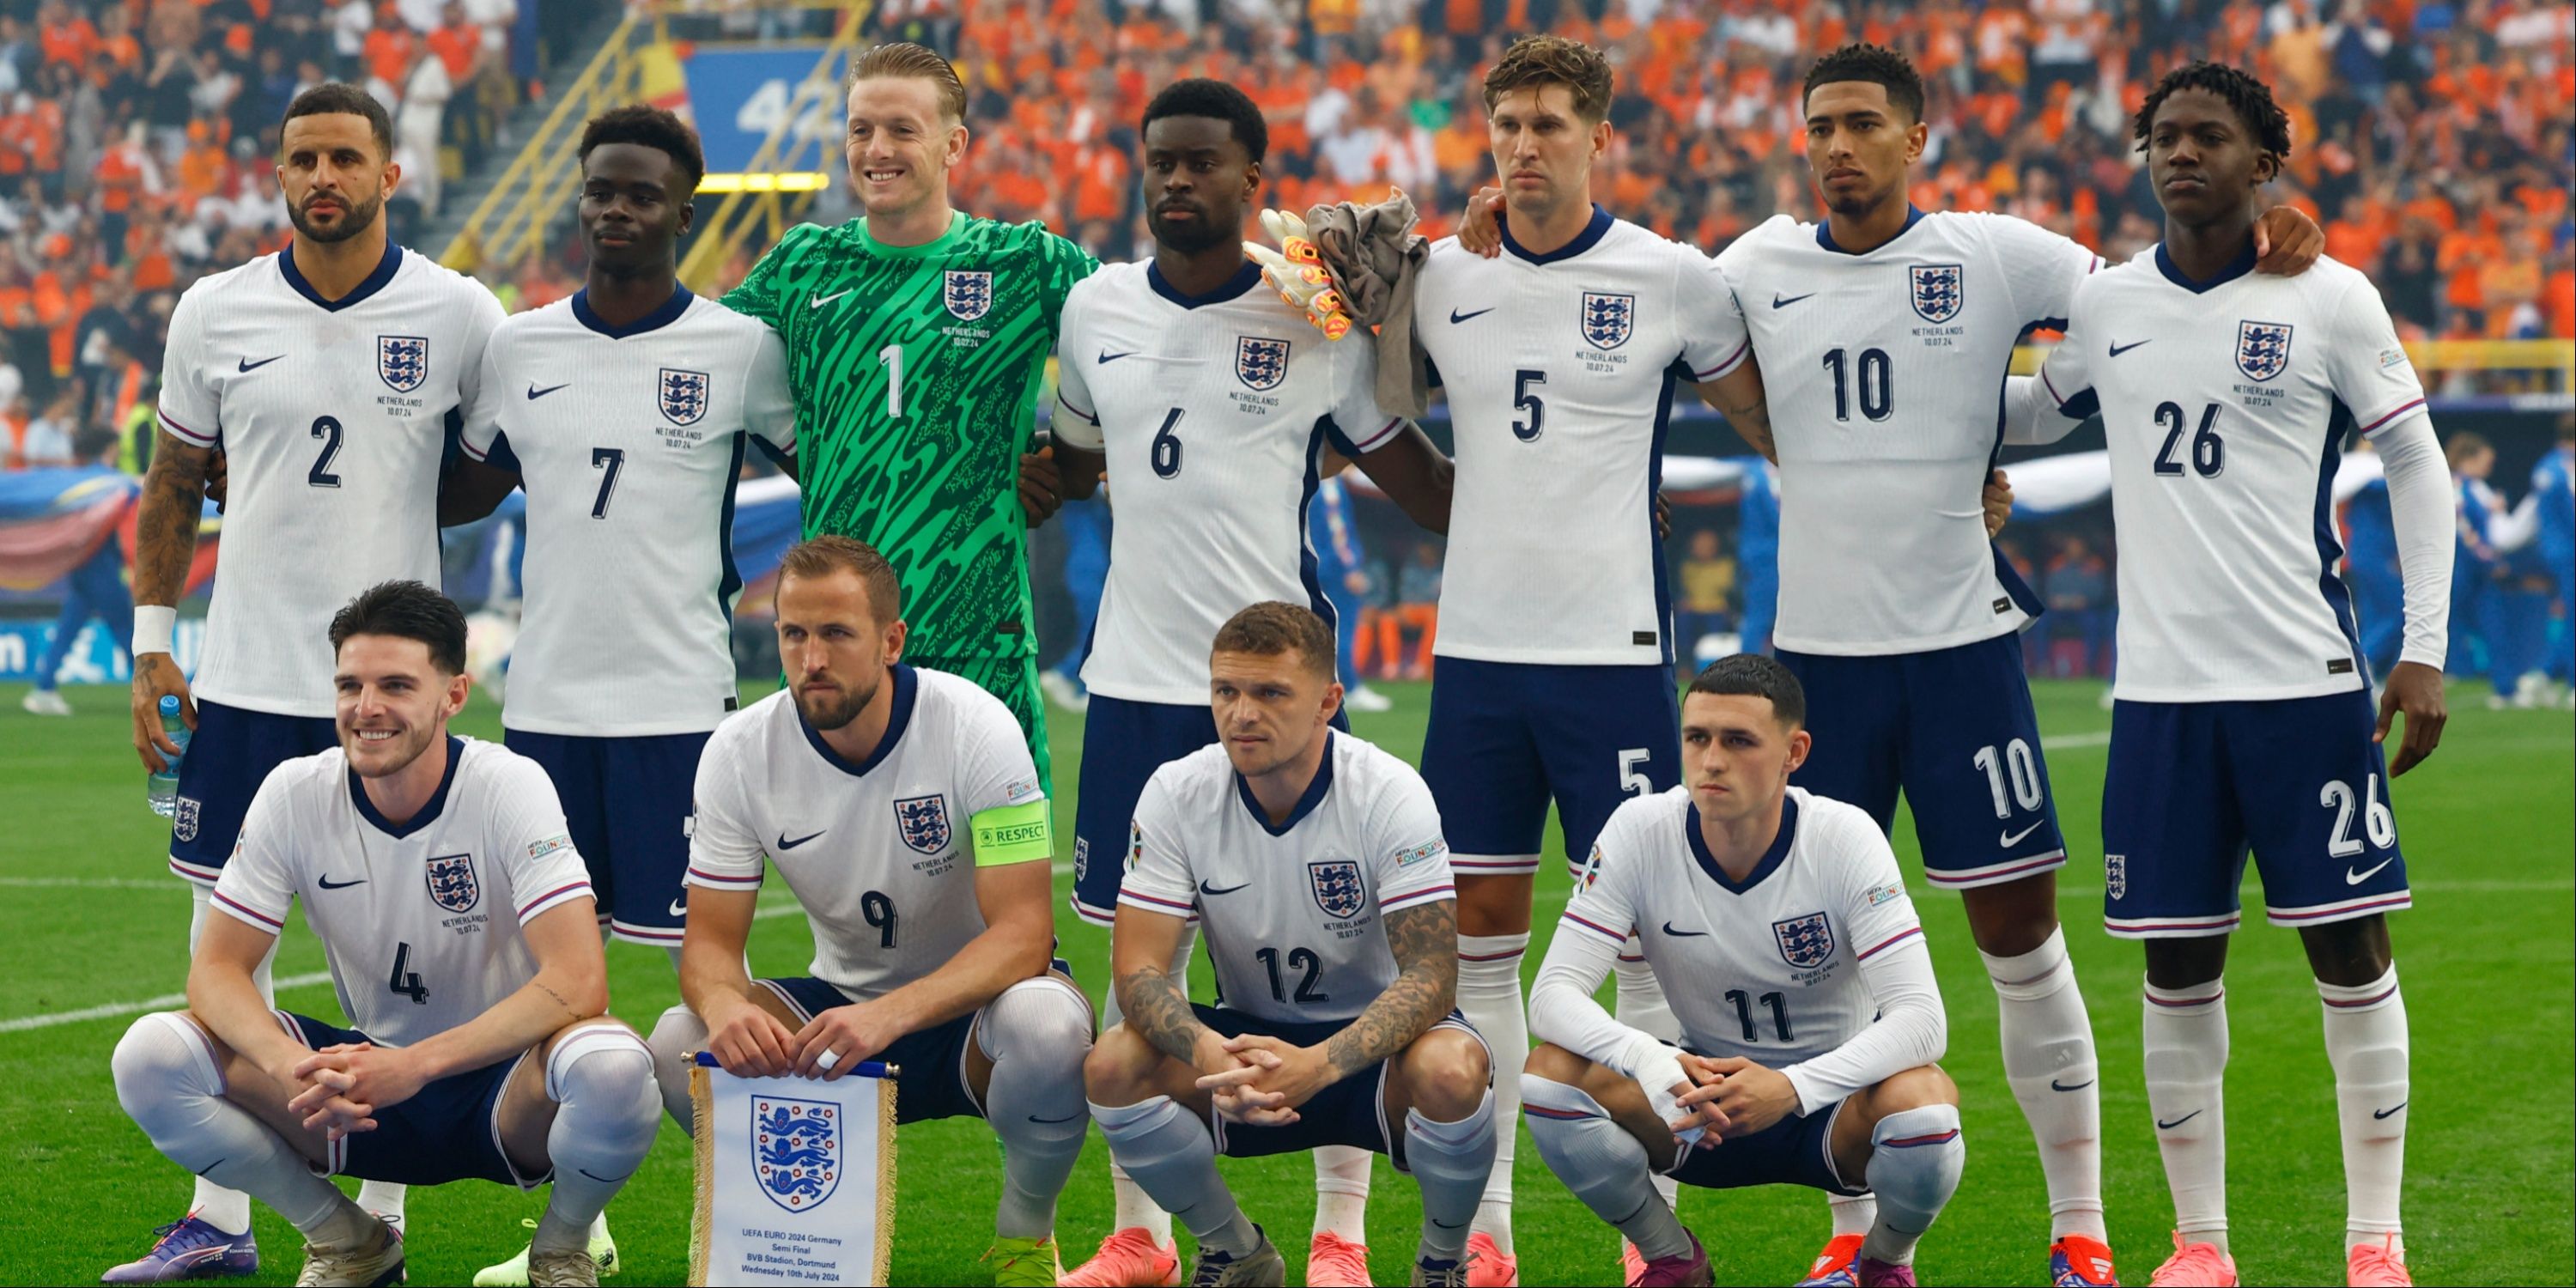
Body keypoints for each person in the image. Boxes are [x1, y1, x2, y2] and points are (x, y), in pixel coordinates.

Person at [1680, 44, 2318, 1285]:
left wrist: (2270, 242)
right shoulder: (1753, 265)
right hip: (1816, 671)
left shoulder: (1996, 256)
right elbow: (1650, 321)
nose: (1838, 146)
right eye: (1820, 126)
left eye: (1864, 123)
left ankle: (2078, 1229)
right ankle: (1855, 1239)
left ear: (1918, 139)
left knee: (2020, 939)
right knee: (1822, 952)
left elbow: (2142, 310)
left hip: (1965, 657)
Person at [2014, 60, 2453, 1288]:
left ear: (2267, 163)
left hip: (2306, 688)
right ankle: (2200, 1248)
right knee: (2173, 966)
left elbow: (2419, 468)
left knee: (2351, 953)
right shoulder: (2106, 306)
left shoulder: (2330, 296)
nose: (2179, 153)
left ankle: (2377, 1242)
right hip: (2158, 700)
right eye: (2163, 135)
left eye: (2209, 137)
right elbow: (2038, 415)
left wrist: (2423, 648)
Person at [1045, 77, 1456, 1288]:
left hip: (1276, 686)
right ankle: (1146, 1239)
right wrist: (1027, 480)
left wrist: (1401, 340)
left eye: (1204, 163)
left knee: (1339, 954)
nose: (1178, 180)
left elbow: (1418, 483)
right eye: (1161, 161)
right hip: (1134, 687)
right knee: (1141, 971)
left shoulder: (1312, 315)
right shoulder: (1092, 309)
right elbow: (1072, 461)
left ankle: (1339, 1238)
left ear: (1252, 183)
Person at [114, 82, 505, 1280]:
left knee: (387, 950)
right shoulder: (215, 309)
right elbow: (177, 483)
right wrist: (150, 644)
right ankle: (219, 1221)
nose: (320, 177)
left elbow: (483, 475)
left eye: (344, 157)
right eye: (301, 160)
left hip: (385, 687)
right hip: (242, 675)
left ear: (392, 174)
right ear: (279, 175)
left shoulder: (459, 313)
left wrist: (390, 516)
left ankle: (381, 1211)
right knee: (220, 941)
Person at [1400, 38, 1776, 1282]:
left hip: (1612, 658)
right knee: (1485, 939)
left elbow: (1773, 421)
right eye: (1507, 122)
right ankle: (1494, 1231)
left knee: (1644, 939)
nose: (1523, 144)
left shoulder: (1670, 277)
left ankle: (1647, 1227)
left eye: (1551, 123)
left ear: (1600, 137)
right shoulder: (1438, 272)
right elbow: (1364, 399)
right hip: (1478, 664)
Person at [440, 104, 796, 1285]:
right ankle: (571, 1229)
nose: (614, 209)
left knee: (711, 986)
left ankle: (770, 1227)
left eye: (640, 194)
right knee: (549, 988)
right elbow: (463, 487)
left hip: (684, 715)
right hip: (542, 714)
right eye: (600, 189)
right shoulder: (519, 346)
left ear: (682, 214)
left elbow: (832, 468)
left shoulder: (741, 347)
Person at [107, 580, 660, 1288]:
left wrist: (417, 1067)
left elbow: (579, 980)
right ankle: (346, 1241)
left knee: (616, 1066)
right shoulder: (293, 791)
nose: (366, 709)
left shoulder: (509, 785)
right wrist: (287, 1064)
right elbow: (216, 972)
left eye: (396, 685)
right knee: (151, 1055)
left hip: (509, 1089)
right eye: (350, 685)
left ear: (453, 696)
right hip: (358, 1089)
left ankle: (562, 1249)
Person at [645, 537, 1092, 1288]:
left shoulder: (977, 726)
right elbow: (711, 949)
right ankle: (798, 1246)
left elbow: (1025, 935)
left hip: (975, 1015)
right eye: (794, 633)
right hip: (838, 1017)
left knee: (1050, 1029)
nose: (811, 658)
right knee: (676, 1043)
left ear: (891, 642)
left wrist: (892, 1016)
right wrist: (725, 1009)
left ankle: (1024, 1237)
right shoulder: (737, 750)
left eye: (836, 634)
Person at [718, 42, 1097, 793]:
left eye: (901, 129)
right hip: (838, 646)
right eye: (861, 130)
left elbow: (1145, 342)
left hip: (978, 628)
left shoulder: (1025, 262)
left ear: (954, 144)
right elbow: (694, 360)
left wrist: (1072, 460)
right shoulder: (801, 263)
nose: (876, 149)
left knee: (1006, 879)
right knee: (856, 890)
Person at [1083, 601, 1494, 1288]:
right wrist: (1209, 1050)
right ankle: (1236, 1251)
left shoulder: (1389, 792)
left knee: (1453, 1070)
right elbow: (1139, 971)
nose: (1242, 714)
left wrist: (1321, 1064)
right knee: (1112, 1063)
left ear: (1328, 701)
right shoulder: (1177, 790)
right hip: (1245, 1046)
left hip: (1373, 1052)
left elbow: (1432, 976)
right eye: (1226, 692)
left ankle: (1442, 1263)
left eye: (1270, 693)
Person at [1522, 656, 1963, 1288]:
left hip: (1830, 1113)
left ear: (1794, 751)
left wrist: (1791, 1088)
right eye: (1697, 737)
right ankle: (1671, 1258)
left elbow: (1923, 1022)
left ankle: (1883, 1263)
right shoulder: (1640, 829)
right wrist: (1651, 1061)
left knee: (1926, 1104)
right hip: (1699, 1103)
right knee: (1549, 1076)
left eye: (1738, 741)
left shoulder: (1844, 838)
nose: (1711, 761)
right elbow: (1552, 995)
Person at [21, 519, 132, 716]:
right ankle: (152, 690)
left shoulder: (80, 509)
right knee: (128, 636)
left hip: (82, 577)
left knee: (65, 635)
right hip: (104, 578)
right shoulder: (107, 504)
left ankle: (44, 689)